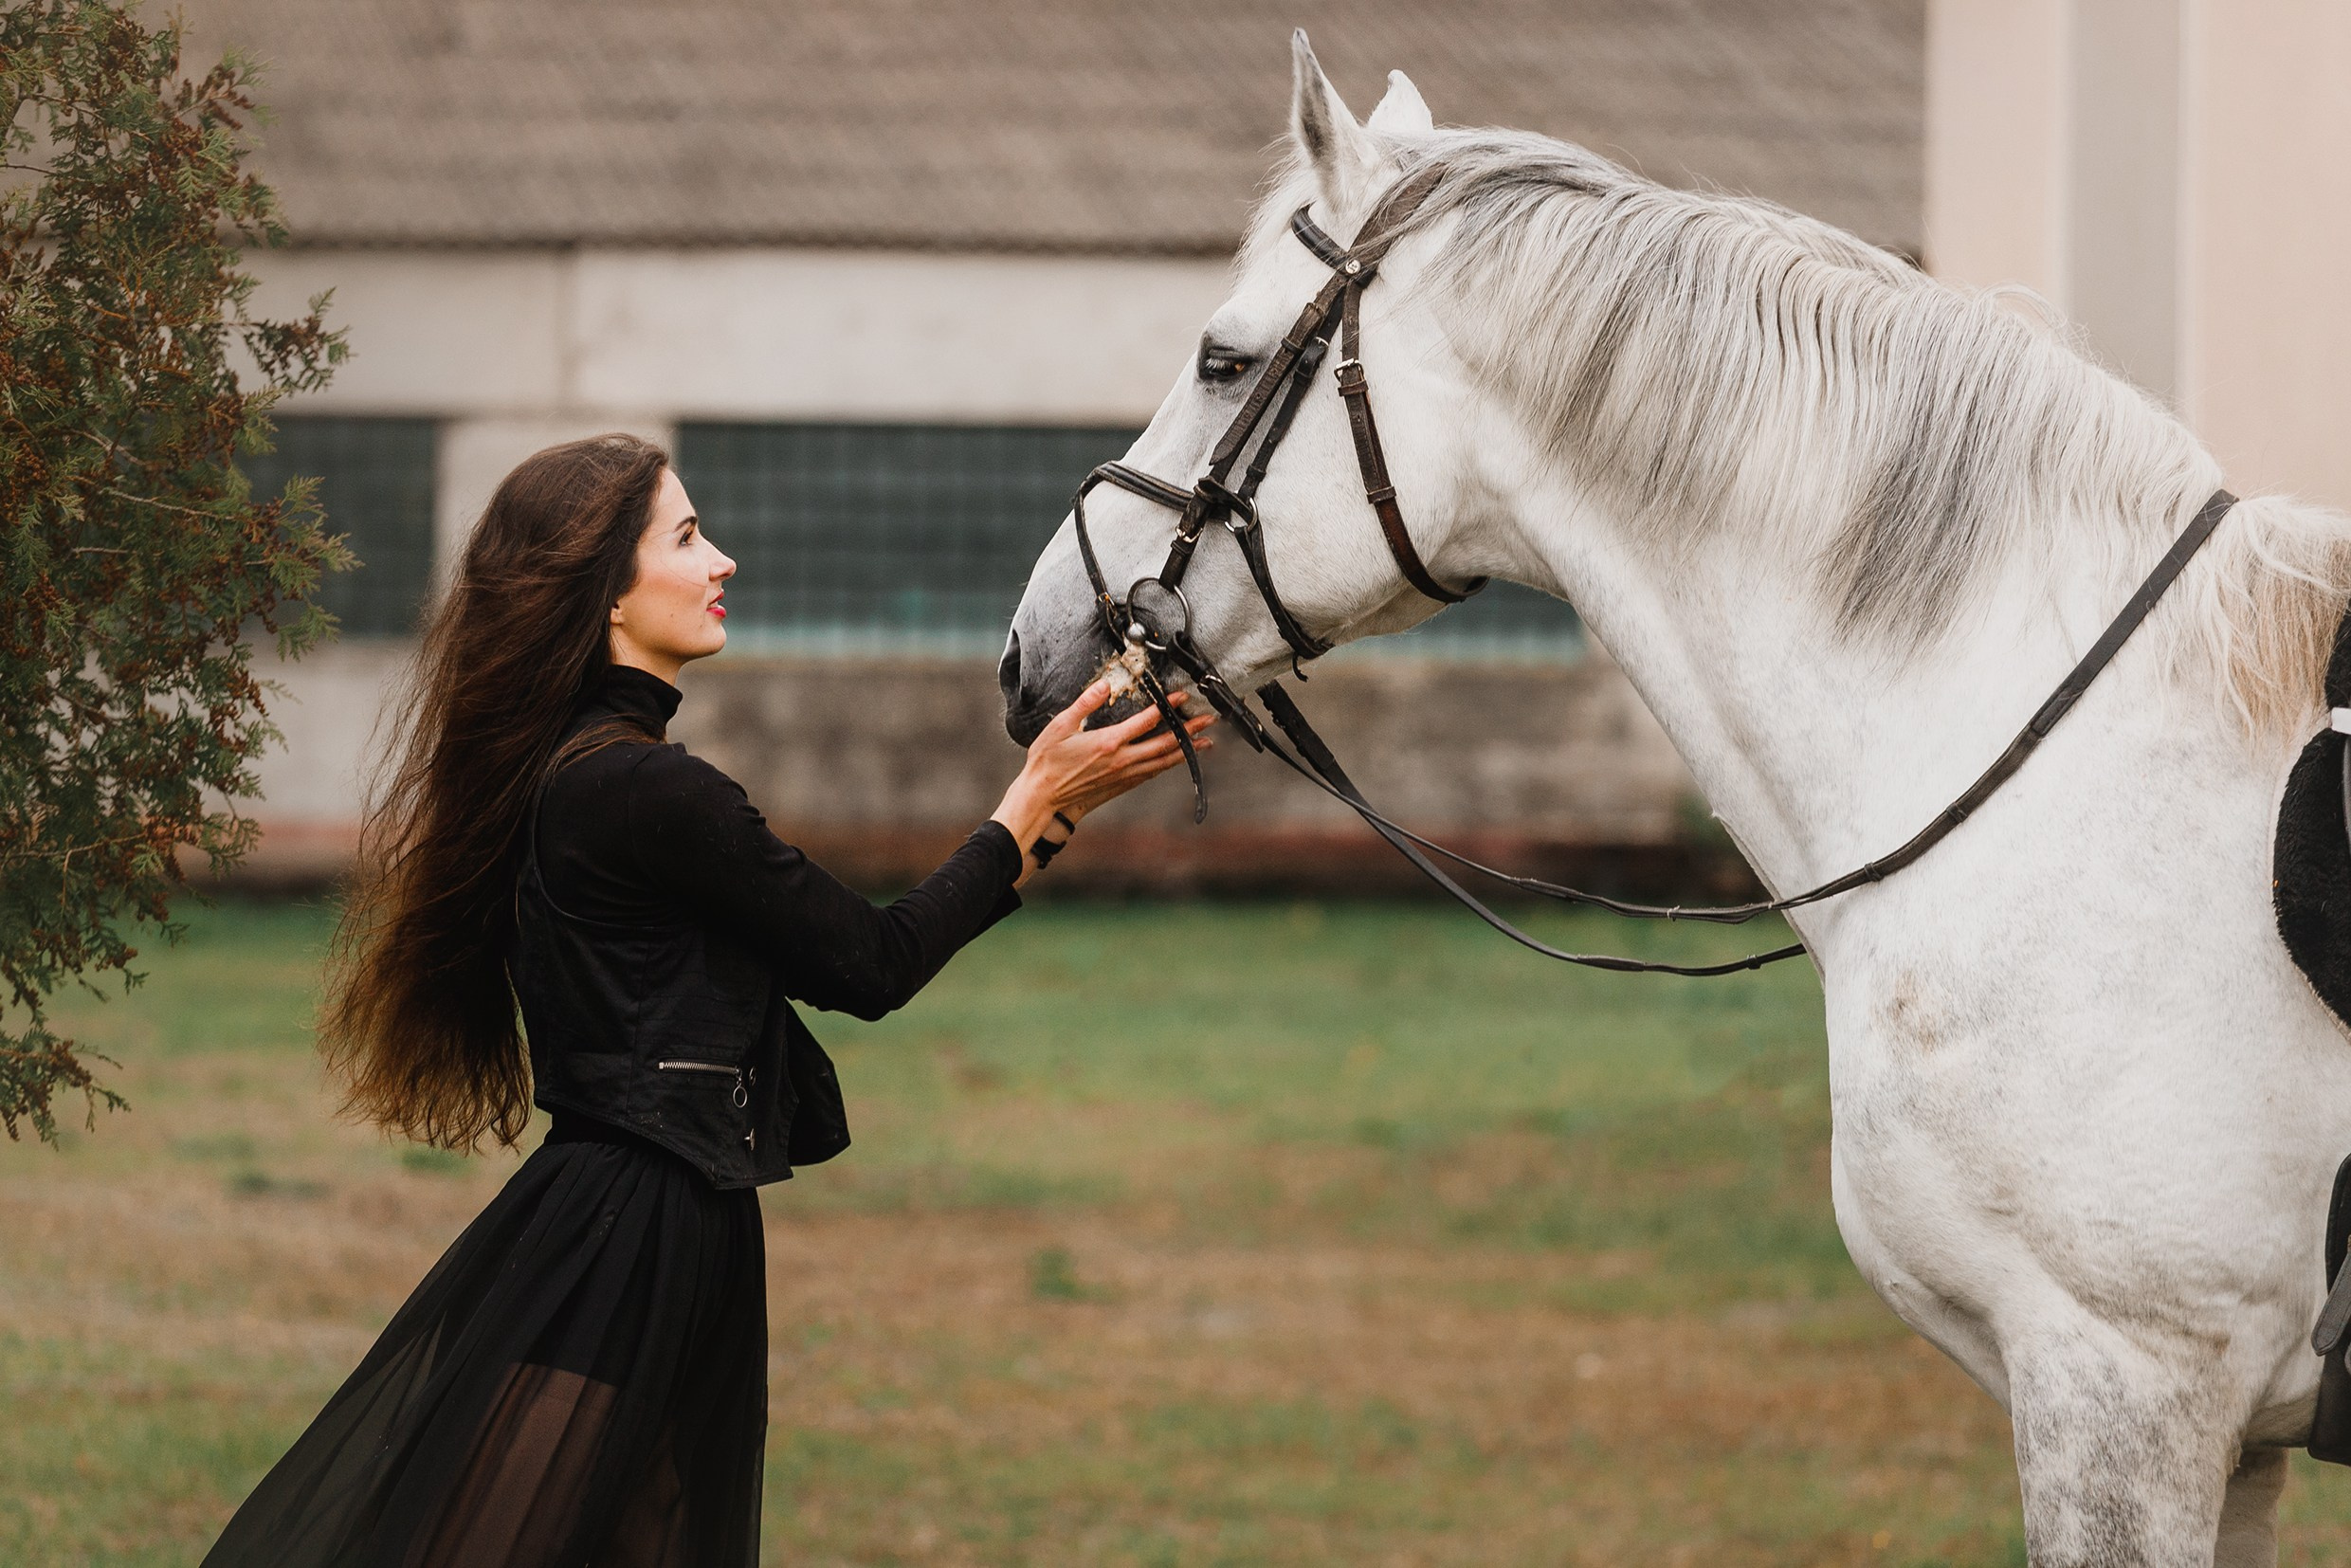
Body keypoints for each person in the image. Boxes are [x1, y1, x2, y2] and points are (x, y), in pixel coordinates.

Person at [200, 432, 1211, 1567]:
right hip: (632, 1229)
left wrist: (1049, 808)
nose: (721, 558)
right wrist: (1028, 804)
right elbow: (868, 967)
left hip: (654, 1217)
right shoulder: (641, 788)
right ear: (606, 592)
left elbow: (865, 953)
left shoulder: (585, 772)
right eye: (685, 537)